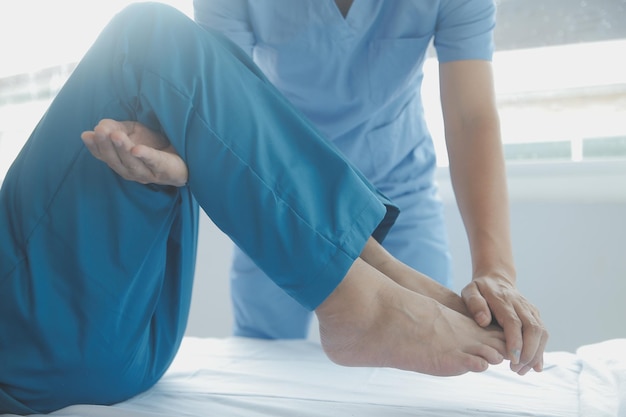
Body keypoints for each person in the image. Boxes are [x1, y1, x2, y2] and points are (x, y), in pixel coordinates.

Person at [0, 3, 544, 415]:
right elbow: (213, 96)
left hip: (130, 350)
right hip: (261, 215)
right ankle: (356, 288)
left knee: (152, 62)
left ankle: (377, 276)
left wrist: (496, 272)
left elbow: (472, 116)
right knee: (145, 38)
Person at [186, 0, 545, 362]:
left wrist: (496, 271)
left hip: (401, 191)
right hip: (283, 194)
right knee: (264, 358)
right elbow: (224, 109)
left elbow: (471, 120)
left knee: (430, 358)